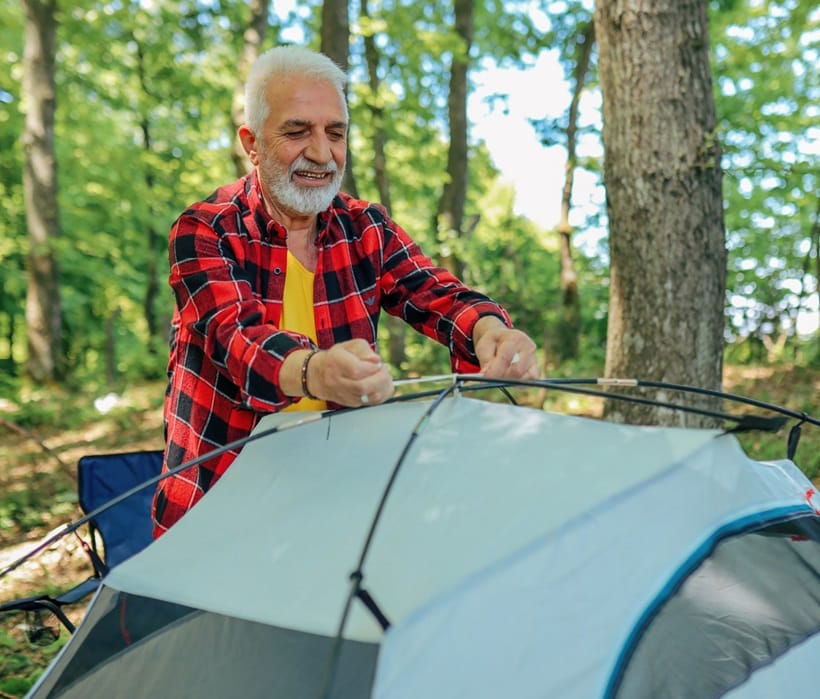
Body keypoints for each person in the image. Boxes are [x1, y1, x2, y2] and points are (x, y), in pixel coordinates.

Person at [151, 46, 539, 537]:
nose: (321, 153)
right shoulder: (205, 230)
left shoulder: (365, 227)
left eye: (335, 133)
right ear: (252, 143)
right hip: (218, 507)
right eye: (297, 132)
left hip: (335, 501)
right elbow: (237, 341)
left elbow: (436, 293)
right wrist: (318, 372)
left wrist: (490, 331)